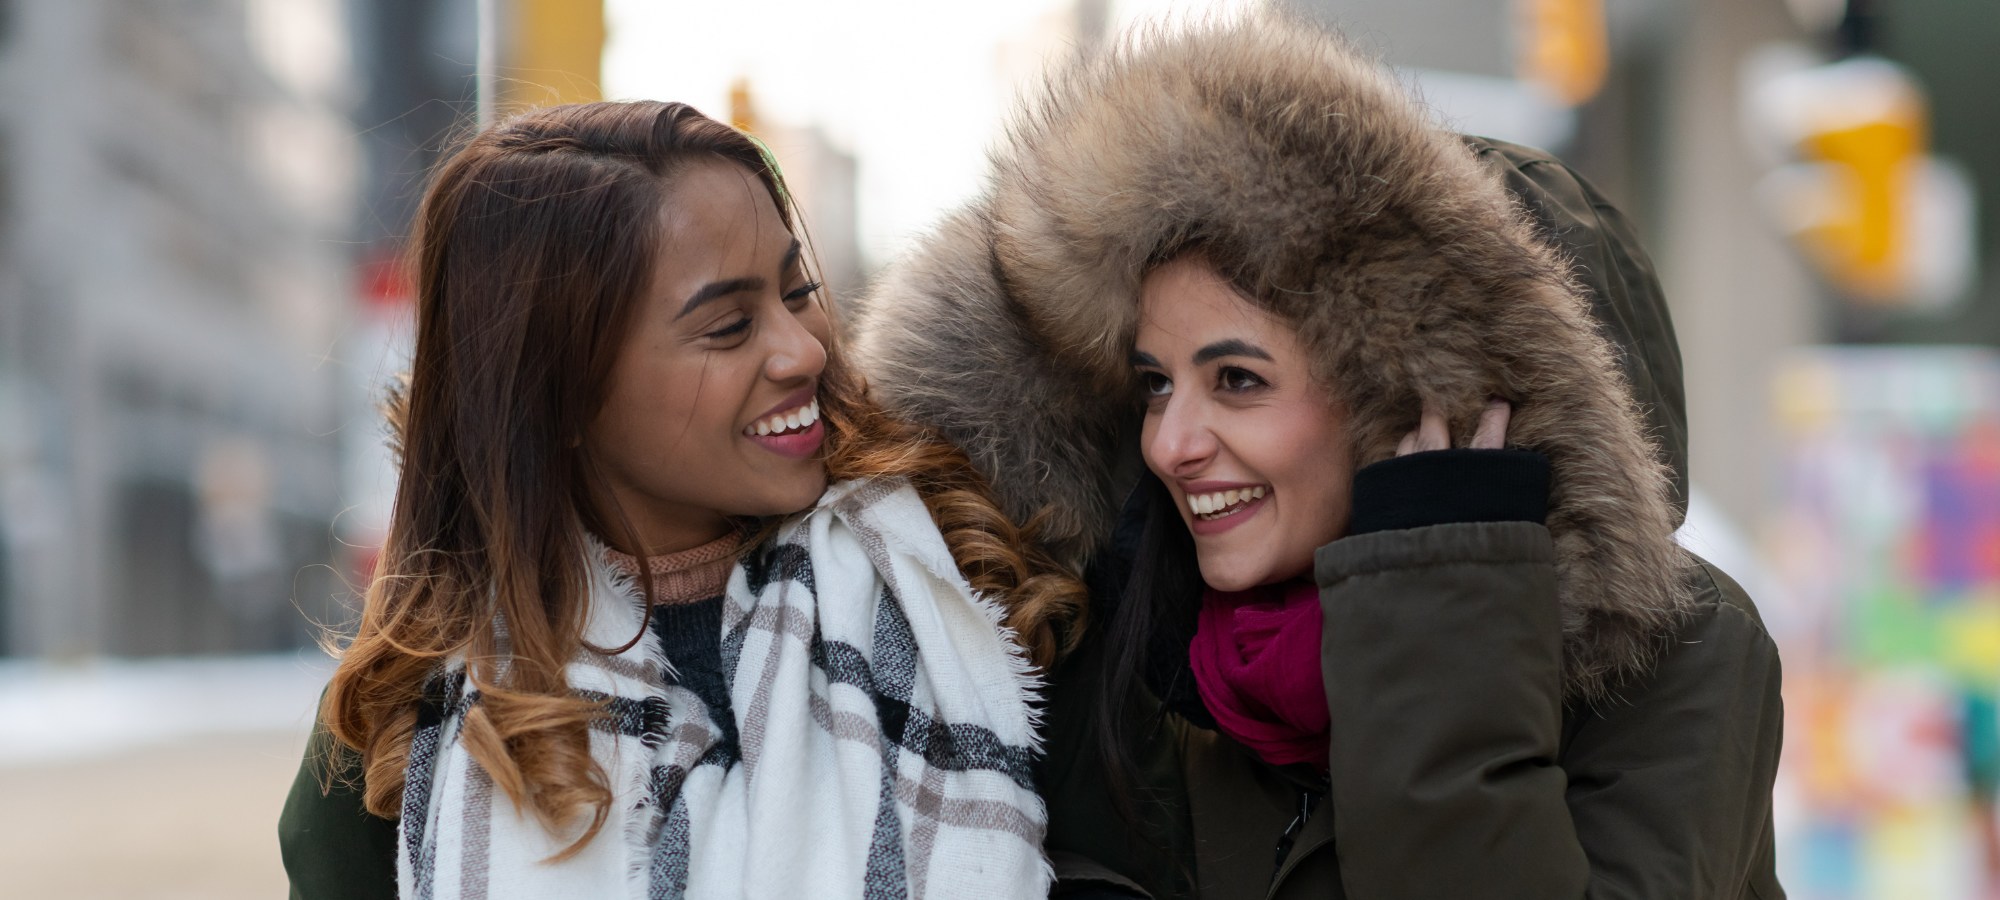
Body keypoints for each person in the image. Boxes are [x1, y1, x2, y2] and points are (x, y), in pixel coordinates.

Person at [849, 12, 1784, 899]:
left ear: (1414, 398)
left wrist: (1445, 608)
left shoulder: (1686, 659)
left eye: (1239, 382)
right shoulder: (1121, 648)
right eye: (1155, 384)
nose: (1172, 446)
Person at [277, 100, 1082, 900]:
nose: (803, 349)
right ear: (559, 394)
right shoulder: (388, 735)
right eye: (730, 327)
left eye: (797, 290)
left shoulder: (973, 595)